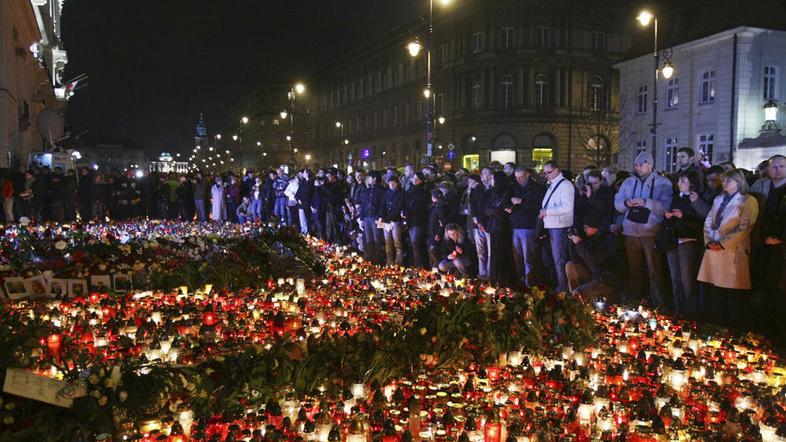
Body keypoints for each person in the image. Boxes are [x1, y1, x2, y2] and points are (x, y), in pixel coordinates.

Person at [697, 169, 759, 328]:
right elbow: (709, 220)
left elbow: (745, 227)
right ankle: (717, 324)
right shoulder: (718, 199)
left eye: (728, 181)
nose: (724, 183)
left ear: (738, 182)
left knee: (733, 290)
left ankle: (733, 327)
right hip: (714, 249)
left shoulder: (748, 201)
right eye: (723, 181)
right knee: (716, 288)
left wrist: (723, 243)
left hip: (733, 250)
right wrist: (709, 240)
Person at [613, 152, 673, 308]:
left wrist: (646, 202)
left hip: (651, 231)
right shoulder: (628, 182)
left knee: (655, 269)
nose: (637, 167)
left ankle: (658, 303)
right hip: (630, 231)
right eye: (636, 164)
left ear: (650, 164)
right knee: (634, 268)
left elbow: (665, 207)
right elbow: (617, 202)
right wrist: (626, 203)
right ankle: (637, 300)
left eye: (641, 164)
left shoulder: (663, 182)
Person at [749, 154, 786, 341]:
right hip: (761, 245)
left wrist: (780, 238)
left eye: (781, 166)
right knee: (761, 285)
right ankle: (760, 330)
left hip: (781, 248)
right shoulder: (761, 187)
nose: (777, 170)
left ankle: (777, 333)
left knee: (778, 290)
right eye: (774, 166)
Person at [664, 171, 710, 319]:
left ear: (691, 183)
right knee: (675, 278)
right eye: (679, 181)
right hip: (673, 240)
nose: (679, 183)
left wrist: (683, 216)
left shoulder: (695, 198)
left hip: (688, 240)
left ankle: (691, 311)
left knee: (687, 278)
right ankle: (678, 309)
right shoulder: (676, 197)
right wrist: (668, 216)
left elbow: (702, 221)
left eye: (683, 181)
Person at [565, 213, 621, 300]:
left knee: (578, 293)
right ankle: (574, 296)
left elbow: (593, 261)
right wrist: (573, 241)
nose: (584, 230)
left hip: (605, 280)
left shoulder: (608, 241)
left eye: (587, 227)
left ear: (596, 227)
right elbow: (576, 259)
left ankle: (575, 298)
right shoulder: (591, 238)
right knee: (570, 265)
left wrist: (579, 243)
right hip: (593, 276)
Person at [539, 161, 575, 294]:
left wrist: (547, 211)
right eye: (545, 173)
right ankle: (561, 286)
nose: (546, 175)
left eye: (549, 172)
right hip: (554, 225)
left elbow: (567, 207)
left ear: (557, 170)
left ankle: (563, 289)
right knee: (556, 259)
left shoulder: (565, 185)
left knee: (560, 259)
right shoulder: (554, 184)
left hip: (560, 226)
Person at [510, 166, 544, 286]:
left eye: (521, 177)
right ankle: (521, 280)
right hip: (516, 225)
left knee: (529, 258)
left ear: (527, 175)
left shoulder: (536, 188)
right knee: (517, 257)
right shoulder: (515, 187)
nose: (519, 180)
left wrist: (522, 202)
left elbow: (538, 207)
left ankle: (530, 282)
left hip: (528, 226)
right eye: (516, 177)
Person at [486, 171, 516, 287]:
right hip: (494, 225)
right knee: (494, 252)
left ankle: (503, 278)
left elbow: (505, 207)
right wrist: (495, 211)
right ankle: (495, 277)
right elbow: (486, 208)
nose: (491, 181)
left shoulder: (508, 191)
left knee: (502, 252)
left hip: (503, 225)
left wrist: (497, 210)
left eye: (492, 179)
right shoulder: (491, 192)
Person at [403, 172, 429, 268]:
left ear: (421, 181)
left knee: (416, 242)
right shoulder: (409, 191)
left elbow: (421, 207)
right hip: (410, 220)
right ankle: (414, 262)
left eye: (417, 179)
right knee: (411, 243)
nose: (414, 180)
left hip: (418, 220)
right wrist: (404, 212)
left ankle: (418, 264)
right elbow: (405, 203)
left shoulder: (423, 192)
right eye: (413, 178)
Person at [378, 175, 405, 266]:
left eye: (393, 183)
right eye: (390, 183)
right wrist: (381, 217)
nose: (391, 185)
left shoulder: (401, 193)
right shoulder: (386, 194)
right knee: (388, 243)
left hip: (395, 221)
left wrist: (388, 218)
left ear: (397, 183)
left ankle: (398, 263)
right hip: (386, 222)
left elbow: (399, 208)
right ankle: (389, 262)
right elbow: (382, 206)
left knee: (397, 242)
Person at [471, 168, 492, 280]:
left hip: (490, 224)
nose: (482, 175)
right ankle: (482, 272)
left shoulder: (493, 188)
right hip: (478, 223)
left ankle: (490, 273)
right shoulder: (477, 188)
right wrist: (477, 221)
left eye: (485, 173)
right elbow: (473, 205)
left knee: (490, 251)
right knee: (480, 251)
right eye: (482, 173)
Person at [361, 172, 385, 264]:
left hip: (376, 217)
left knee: (378, 238)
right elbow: (363, 204)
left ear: (374, 178)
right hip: (367, 217)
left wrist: (379, 216)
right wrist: (362, 217)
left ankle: (378, 258)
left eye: (369, 177)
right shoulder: (367, 190)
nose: (367, 179)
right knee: (368, 238)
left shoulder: (382, 190)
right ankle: (370, 257)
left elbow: (383, 206)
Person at [427, 189, 448, 268]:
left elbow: (442, 222)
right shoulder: (435, 206)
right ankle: (433, 267)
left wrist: (439, 233)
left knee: (433, 250)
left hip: (436, 232)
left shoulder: (440, 208)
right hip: (433, 231)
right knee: (431, 250)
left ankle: (437, 267)